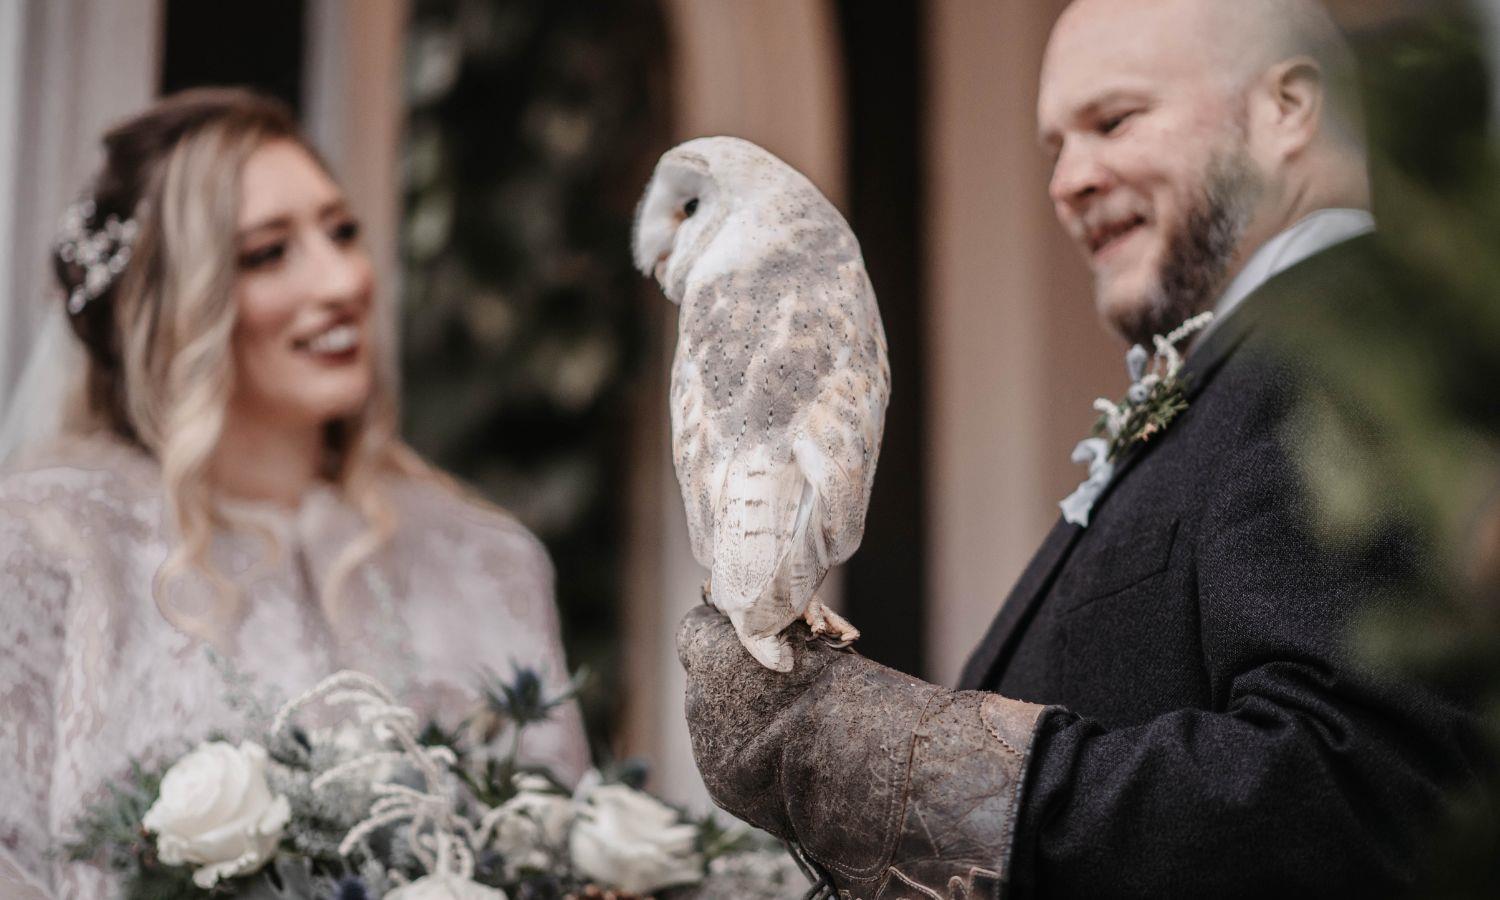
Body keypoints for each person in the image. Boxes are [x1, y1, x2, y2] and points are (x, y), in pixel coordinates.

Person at [676, 1, 1489, 897]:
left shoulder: (1346, 345)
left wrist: (898, 760)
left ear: (1288, 108)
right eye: (1056, 147)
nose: (1068, 181)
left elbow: (1359, 792)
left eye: (1114, 121)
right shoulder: (1251, 363)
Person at [0, 88, 588, 897]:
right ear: (175, 307)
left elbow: (563, 852)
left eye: (342, 231)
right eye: (269, 252)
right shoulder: (54, 544)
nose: (343, 278)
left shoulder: (484, 557)